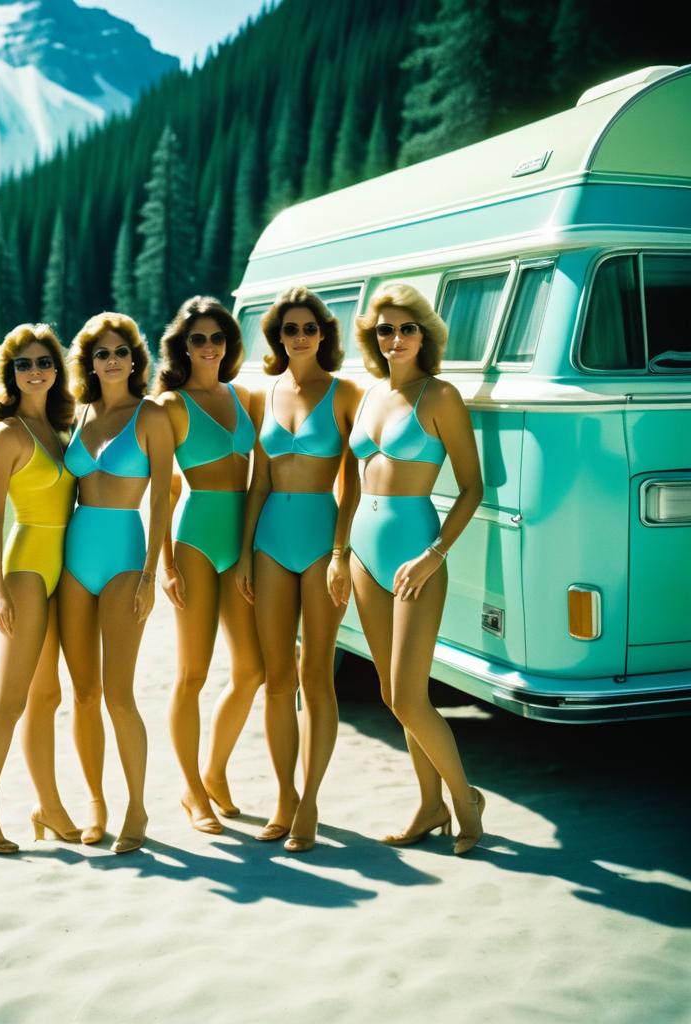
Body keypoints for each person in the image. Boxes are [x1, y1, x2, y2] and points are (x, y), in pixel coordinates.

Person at [349, 283, 486, 855]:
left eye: (406, 328)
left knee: (410, 696)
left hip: (415, 553)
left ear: (424, 335)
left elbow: (473, 488)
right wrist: (339, 555)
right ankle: (428, 806)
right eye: (385, 329)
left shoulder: (442, 396)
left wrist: (434, 555)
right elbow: (352, 479)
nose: (396, 338)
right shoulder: (370, 394)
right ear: (372, 337)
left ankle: (465, 802)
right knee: (389, 692)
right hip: (362, 551)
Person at [235, 286, 361, 853]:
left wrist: (340, 553)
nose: (300, 336)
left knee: (317, 679)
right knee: (277, 678)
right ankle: (284, 797)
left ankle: (310, 802)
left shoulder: (345, 393)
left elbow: (352, 481)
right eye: (290, 329)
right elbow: (257, 481)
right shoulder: (264, 395)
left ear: (323, 334)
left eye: (309, 327)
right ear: (277, 337)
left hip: (319, 541)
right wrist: (242, 554)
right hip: (268, 543)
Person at [58, 312, 173, 854]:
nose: (111, 360)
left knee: (119, 694)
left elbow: (162, 497)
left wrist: (153, 572)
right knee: (82, 694)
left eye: (120, 351)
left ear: (134, 359)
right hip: (74, 559)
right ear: (90, 361)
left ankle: (136, 807)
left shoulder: (149, 416)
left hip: (127, 557)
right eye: (101, 353)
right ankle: (96, 804)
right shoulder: (78, 414)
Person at [0, 324, 80, 853]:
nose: (35, 371)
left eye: (43, 362)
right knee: (9, 699)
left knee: (48, 694)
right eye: (24, 364)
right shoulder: (6, 434)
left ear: (56, 369)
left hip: (64, 567)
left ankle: (48, 807)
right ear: (11, 374)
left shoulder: (62, 427)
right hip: (27, 568)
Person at [154, 297, 265, 834]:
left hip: (237, 540)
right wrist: (166, 564)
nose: (209, 347)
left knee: (252, 670)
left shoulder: (243, 396)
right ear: (183, 345)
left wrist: (247, 551)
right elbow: (161, 490)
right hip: (195, 538)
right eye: (197, 339)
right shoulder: (171, 405)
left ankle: (215, 771)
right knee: (192, 673)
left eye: (217, 337)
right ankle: (191, 791)